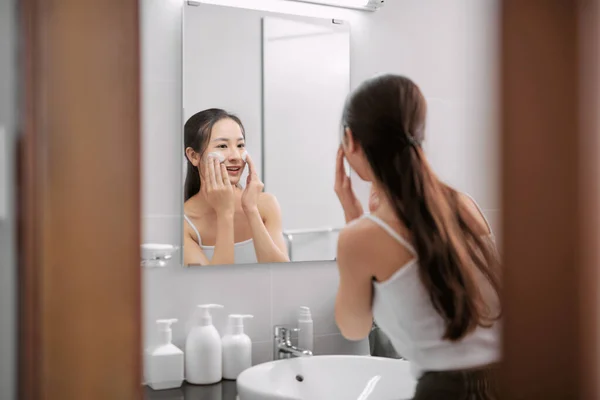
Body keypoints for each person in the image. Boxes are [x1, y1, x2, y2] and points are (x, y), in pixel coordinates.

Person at [334, 75, 501, 399]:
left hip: (446, 390)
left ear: (350, 141)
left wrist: (352, 217)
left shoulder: (360, 239)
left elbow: (353, 328)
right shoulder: (464, 205)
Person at [183, 108, 289, 265]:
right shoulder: (183, 224)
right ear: (193, 156)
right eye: (222, 146)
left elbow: (282, 276)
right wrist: (224, 214)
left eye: (240, 145)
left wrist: (251, 210)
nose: (236, 157)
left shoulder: (265, 205)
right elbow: (215, 285)